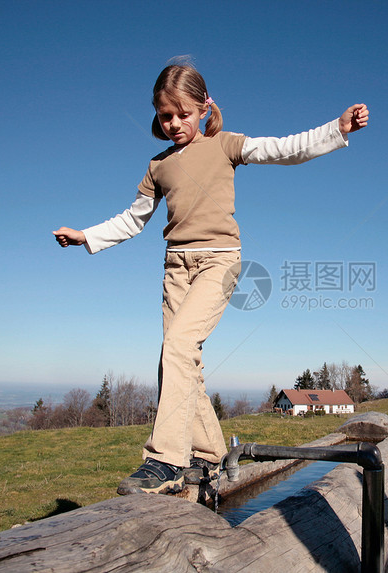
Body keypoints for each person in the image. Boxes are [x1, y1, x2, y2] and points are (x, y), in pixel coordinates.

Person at [53, 61, 369, 495]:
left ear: (205, 107)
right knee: (180, 361)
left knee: (179, 346)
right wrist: (86, 235)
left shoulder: (225, 144)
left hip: (219, 262)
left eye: (184, 113)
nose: (175, 123)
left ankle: (164, 460)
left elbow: (283, 148)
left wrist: (337, 128)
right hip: (175, 268)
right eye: (166, 116)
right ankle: (207, 455)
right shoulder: (157, 166)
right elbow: (132, 220)